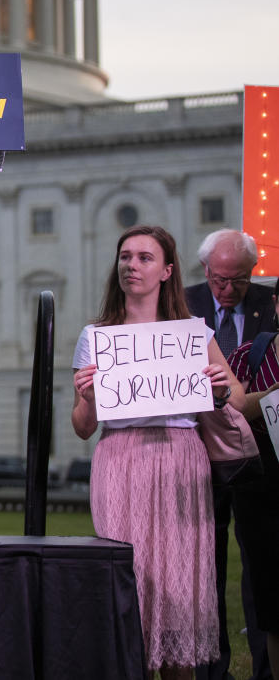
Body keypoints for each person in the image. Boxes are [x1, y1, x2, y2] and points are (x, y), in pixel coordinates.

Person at [71, 225, 249, 679]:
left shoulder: (192, 333)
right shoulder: (97, 336)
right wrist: (87, 397)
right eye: (125, 256)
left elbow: (235, 396)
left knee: (175, 590)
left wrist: (219, 392)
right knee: (126, 581)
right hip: (119, 461)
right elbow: (82, 427)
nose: (131, 265)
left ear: (167, 270)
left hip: (179, 462)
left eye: (144, 257)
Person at [186, 229, 273, 680]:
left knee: (260, 568)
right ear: (205, 271)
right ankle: (211, 668)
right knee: (208, 567)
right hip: (200, 456)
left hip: (258, 454)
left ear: (252, 273)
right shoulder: (181, 304)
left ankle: (265, 665)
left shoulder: (271, 302)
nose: (226, 290)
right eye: (219, 279)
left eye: (237, 280)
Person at [226, 283, 279, 680]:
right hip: (264, 498)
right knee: (273, 606)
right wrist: (272, 395)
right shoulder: (249, 355)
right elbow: (228, 412)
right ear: (276, 303)